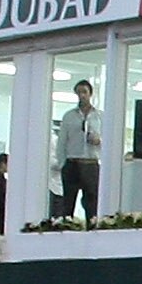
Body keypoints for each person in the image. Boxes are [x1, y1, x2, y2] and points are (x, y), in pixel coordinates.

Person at [53, 75, 103, 220]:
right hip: (72, 163)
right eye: (79, 92)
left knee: (91, 203)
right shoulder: (69, 116)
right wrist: (63, 163)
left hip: (90, 163)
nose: (81, 95)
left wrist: (99, 140)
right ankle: (67, 228)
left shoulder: (99, 116)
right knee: (68, 202)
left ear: (90, 94)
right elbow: (62, 142)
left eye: (84, 92)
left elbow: (108, 140)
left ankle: (91, 229)